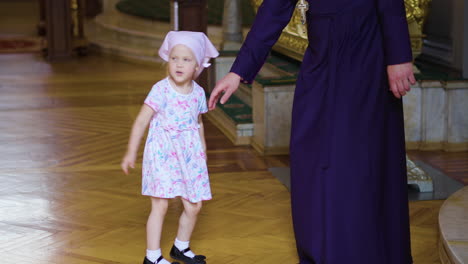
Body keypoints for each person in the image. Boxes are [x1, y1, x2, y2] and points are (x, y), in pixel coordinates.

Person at [209, 0, 416, 263]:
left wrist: (399, 56)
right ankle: (324, 251)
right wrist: (238, 71)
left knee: (362, 158)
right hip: (323, 52)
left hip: (368, 50)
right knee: (313, 156)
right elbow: (274, 7)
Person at [121, 31, 219, 264]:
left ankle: (180, 247)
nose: (178, 64)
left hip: (189, 154)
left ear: (197, 65)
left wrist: (202, 148)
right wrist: (131, 152)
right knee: (160, 205)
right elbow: (142, 121)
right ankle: (152, 257)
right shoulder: (161, 90)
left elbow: (198, 121)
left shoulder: (197, 93)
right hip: (162, 153)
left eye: (186, 59)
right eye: (174, 58)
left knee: (194, 205)